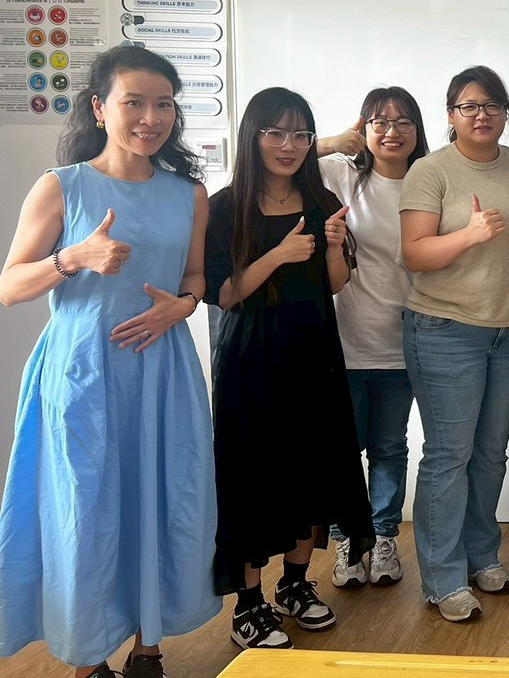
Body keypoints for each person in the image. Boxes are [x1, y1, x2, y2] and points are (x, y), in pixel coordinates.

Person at [0, 46, 217, 678]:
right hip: (82, 373)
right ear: (100, 109)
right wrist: (73, 258)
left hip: (162, 370)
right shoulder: (61, 186)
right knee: (87, 509)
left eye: (163, 104)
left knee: (162, 497)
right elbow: (9, 285)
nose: (151, 118)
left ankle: (149, 650)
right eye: (134, 103)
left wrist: (183, 306)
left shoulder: (189, 194)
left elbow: (196, 277)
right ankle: (89, 657)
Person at [206, 87, 373, 649]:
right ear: (252, 137)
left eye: (301, 134)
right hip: (250, 360)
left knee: (314, 469)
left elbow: (335, 284)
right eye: (275, 133)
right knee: (253, 480)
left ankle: (295, 584)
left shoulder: (321, 199)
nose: (289, 145)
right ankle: (249, 604)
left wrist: (332, 247)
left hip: (314, 353)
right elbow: (224, 294)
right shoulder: (226, 206)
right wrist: (277, 255)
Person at [399, 66, 509, 623]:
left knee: (489, 454)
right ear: (451, 114)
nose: (481, 115)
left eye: (492, 105)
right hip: (444, 330)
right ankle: (444, 578)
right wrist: (470, 235)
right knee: (448, 457)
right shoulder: (430, 170)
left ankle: (482, 555)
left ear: (505, 112)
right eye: (468, 106)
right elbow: (415, 254)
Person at [320, 88, 429, 590]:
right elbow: (266, 163)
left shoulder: (430, 182)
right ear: (362, 127)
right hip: (345, 339)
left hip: (404, 341)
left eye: (403, 122)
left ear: (418, 130)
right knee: (345, 449)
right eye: (379, 122)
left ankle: (383, 537)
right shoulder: (342, 175)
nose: (392, 132)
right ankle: (348, 538)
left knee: (389, 447)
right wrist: (331, 141)